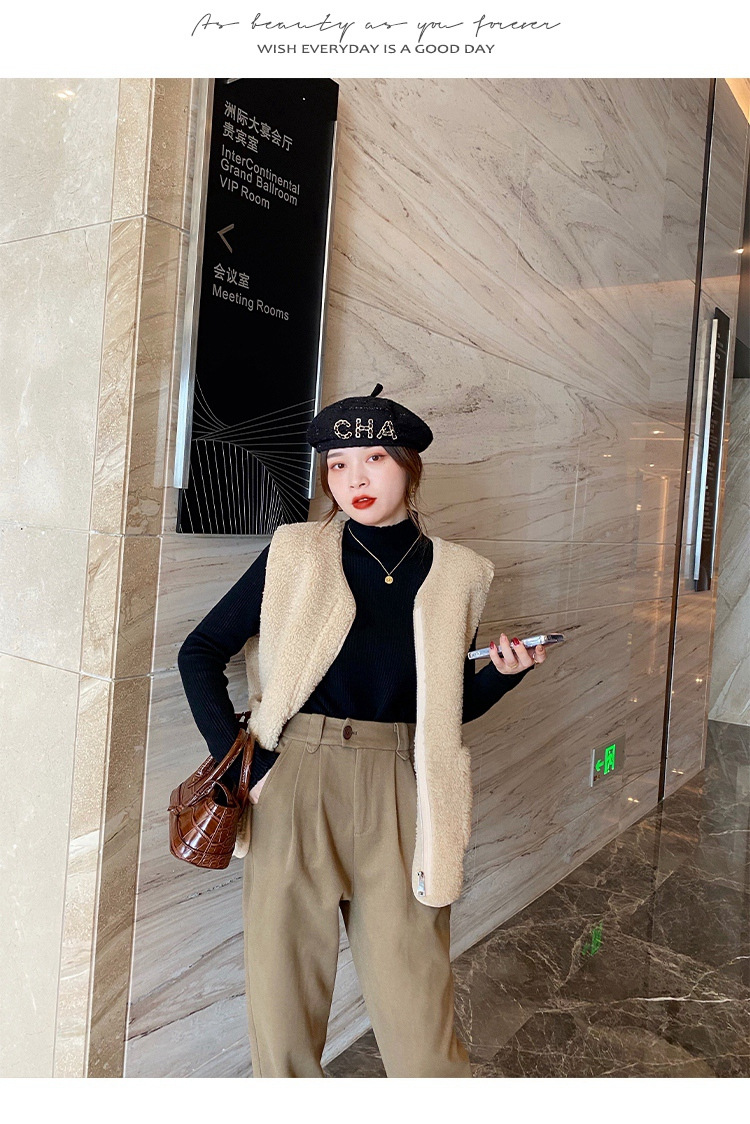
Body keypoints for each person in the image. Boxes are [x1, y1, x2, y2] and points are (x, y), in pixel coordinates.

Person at [177, 383, 547, 1078]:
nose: (355, 479)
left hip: (404, 787)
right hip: (294, 780)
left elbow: (441, 708)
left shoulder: (460, 572)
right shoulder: (296, 552)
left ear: (409, 466)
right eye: (338, 464)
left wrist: (502, 676)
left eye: (374, 458)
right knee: (284, 1020)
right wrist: (249, 767)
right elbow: (199, 652)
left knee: (422, 1027)